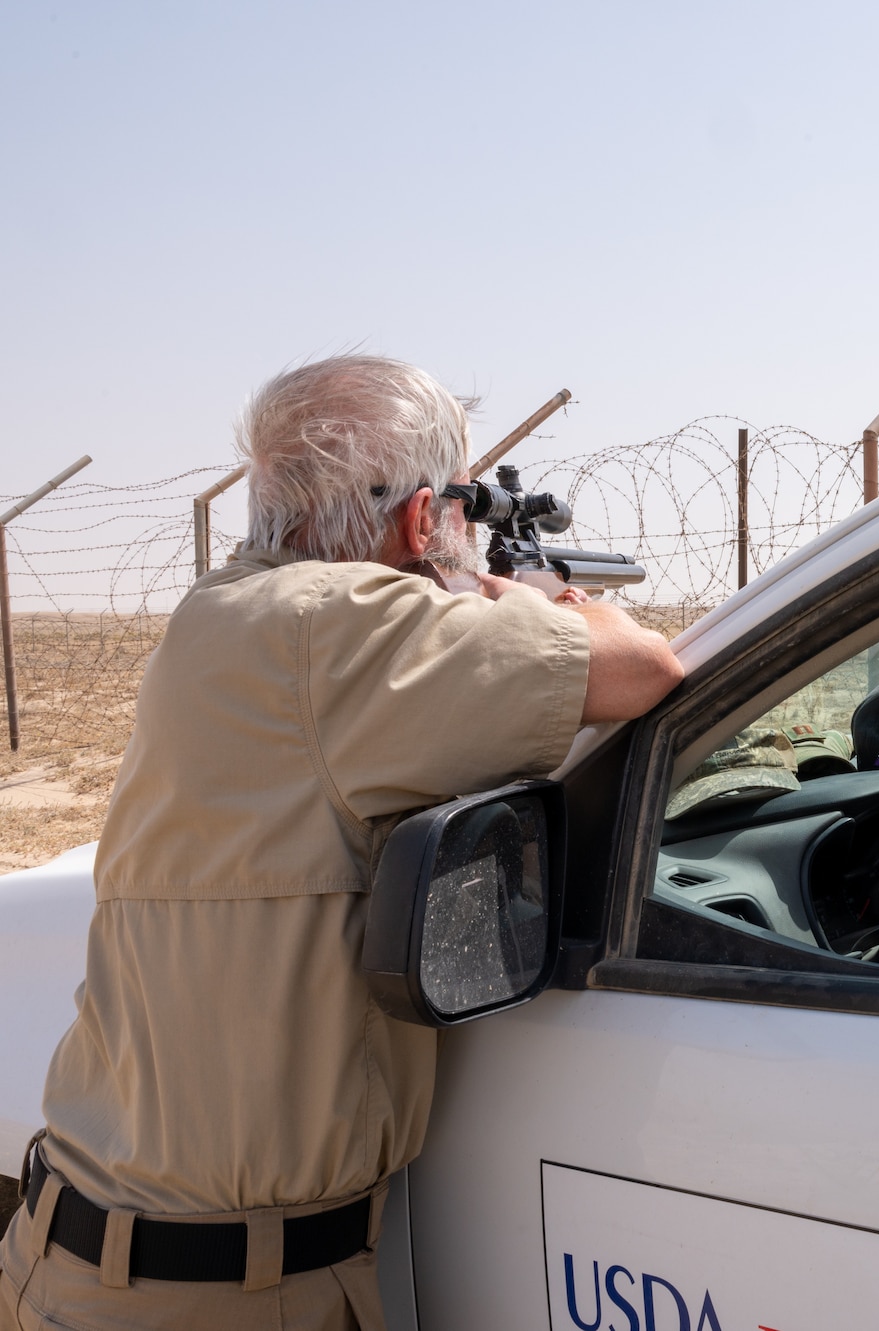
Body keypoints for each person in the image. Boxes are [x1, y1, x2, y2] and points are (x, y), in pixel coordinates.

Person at [0, 356, 683, 1330]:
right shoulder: (330, 627)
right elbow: (642, 666)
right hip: (221, 1296)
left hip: (112, 1264)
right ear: (418, 520)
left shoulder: (230, 615)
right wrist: (523, 596)